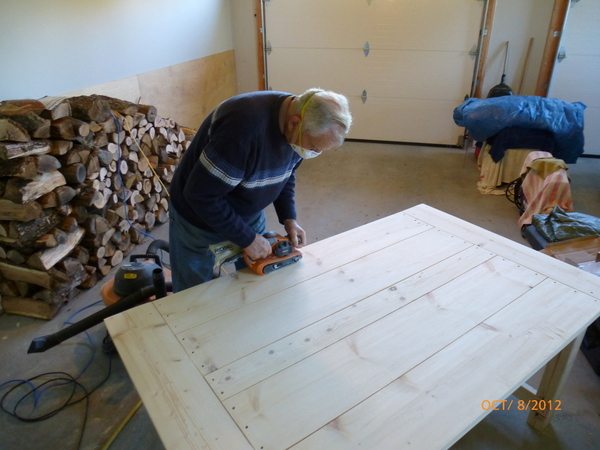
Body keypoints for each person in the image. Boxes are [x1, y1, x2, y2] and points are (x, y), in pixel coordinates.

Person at [168, 88, 352, 292]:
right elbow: (200, 196)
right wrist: (247, 238)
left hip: (247, 211)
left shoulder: (300, 123)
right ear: (294, 122)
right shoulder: (242, 129)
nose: (313, 153)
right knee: (192, 296)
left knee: (257, 285)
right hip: (197, 218)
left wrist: (288, 217)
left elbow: (286, 173)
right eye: (314, 147)